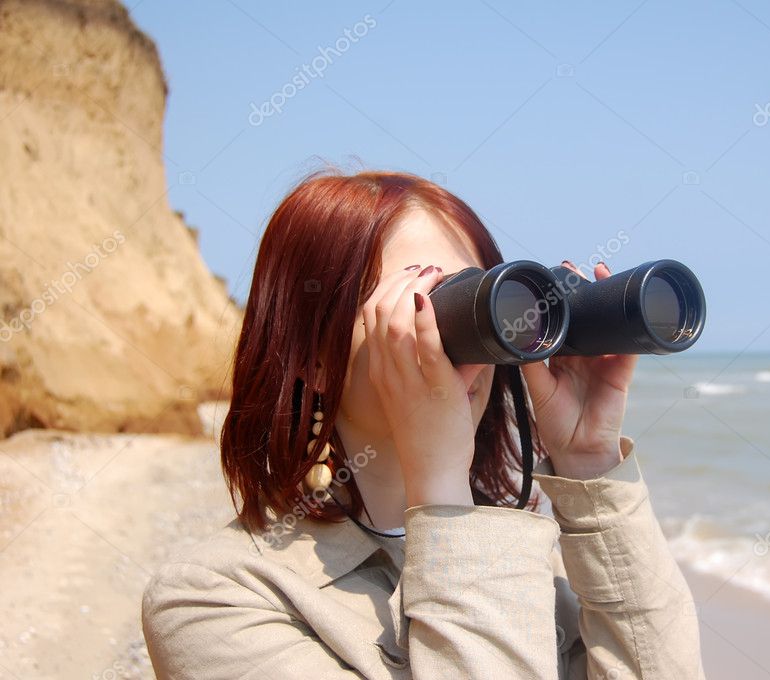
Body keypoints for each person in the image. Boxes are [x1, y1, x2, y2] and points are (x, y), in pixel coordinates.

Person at [141, 170, 705, 679]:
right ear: (313, 355)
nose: (456, 343)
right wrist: (440, 489)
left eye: (476, 302)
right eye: (425, 302)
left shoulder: (537, 559)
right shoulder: (214, 599)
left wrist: (588, 460)